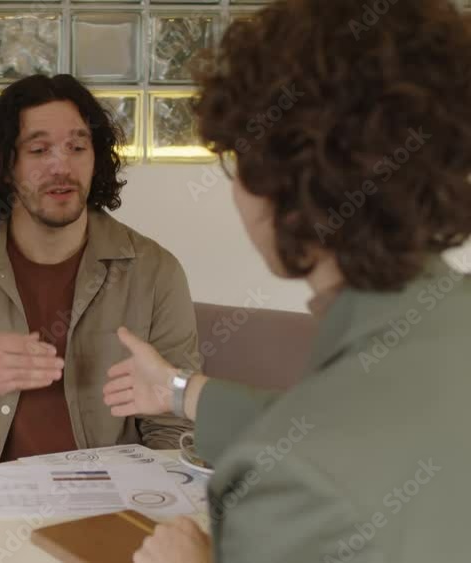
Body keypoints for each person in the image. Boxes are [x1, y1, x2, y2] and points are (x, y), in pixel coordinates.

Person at [103, 1, 471, 561]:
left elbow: (320, 448)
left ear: (283, 182)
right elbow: (358, 428)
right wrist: (177, 390)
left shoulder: (291, 485)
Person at [0, 74, 200, 484]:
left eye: (77, 148)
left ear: (96, 159)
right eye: (39, 150)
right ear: (6, 166)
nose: (62, 166)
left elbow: (175, 428)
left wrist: (147, 503)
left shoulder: (155, 271)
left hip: (110, 501)